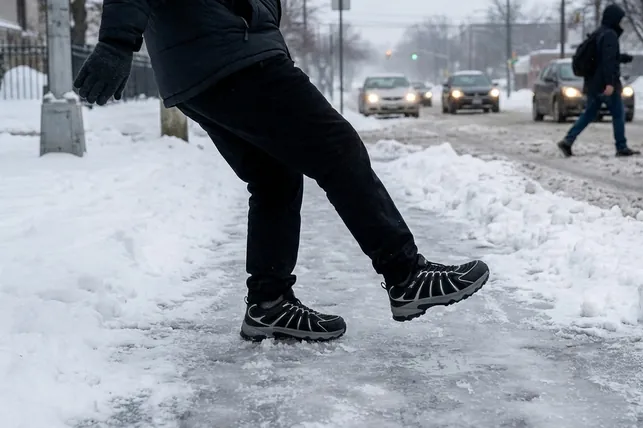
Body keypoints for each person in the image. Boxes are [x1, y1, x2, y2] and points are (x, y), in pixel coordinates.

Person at [72, 0, 490, 342]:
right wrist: (115, 41)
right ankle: (406, 275)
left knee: (274, 178)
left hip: (206, 63)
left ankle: (269, 303)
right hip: (226, 54)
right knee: (337, 148)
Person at [557, 4, 640, 158]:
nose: (620, 23)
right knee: (618, 113)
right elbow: (607, 61)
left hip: (593, 83)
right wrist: (609, 83)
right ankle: (621, 147)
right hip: (605, 83)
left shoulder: (598, 33)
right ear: (614, 19)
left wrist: (621, 58)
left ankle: (567, 141)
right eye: (619, 19)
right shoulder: (610, 35)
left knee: (589, 114)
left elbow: (602, 58)